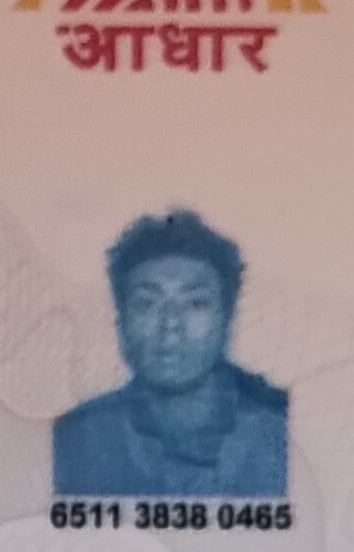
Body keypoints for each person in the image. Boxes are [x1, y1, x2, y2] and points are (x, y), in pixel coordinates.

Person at [49, 209, 292, 499]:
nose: (171, 325)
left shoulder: (284, 432)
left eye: (195, 303)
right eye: (147, 304)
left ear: (228, 317)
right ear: (120, 320)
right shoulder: (76, 440)